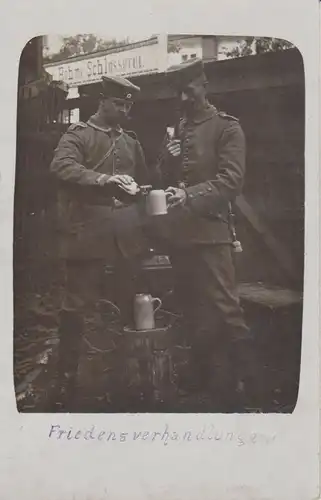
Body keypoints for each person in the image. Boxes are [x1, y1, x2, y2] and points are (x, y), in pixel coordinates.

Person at [152, 58, 255, 411]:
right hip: (183, 236)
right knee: (192, 306)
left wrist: (189, 194)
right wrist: (165, 159)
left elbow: (231, 181)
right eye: (179, 92)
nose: (184, 97)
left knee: (226, 307)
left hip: (212, 234)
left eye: (189, 89)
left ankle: (243, 381)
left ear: (204, 84)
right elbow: (168, 179)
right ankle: (201, 375)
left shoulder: (227, 128)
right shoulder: (178, 128)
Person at [49, 74, 151, 409]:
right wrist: (104, 179)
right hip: (88, 235)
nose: (123, 111)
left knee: (126, 307)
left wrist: (143, 189)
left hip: (126, 236)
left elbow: (146, 182)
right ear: (103, 101)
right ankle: (66, 378)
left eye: (128, 105)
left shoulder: (131, 141)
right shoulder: (79, 134)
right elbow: (61, 167)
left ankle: (125, 376)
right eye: (118, 104)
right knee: (76, 307)